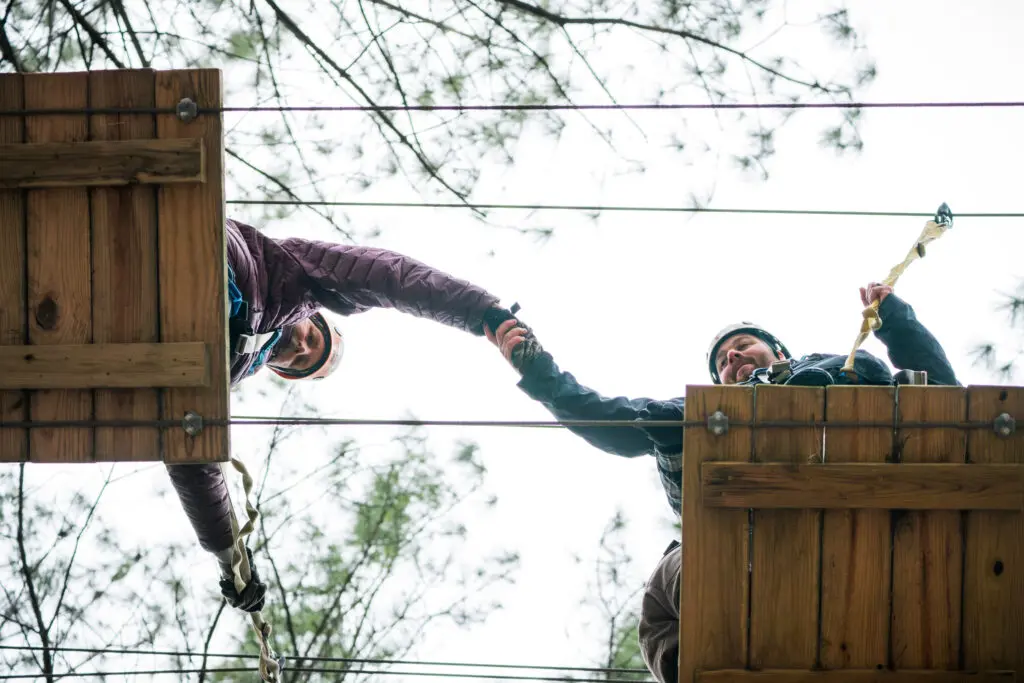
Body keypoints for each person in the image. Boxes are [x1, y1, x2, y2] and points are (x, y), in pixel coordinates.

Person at [486, 282, 958, 682]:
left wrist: (897, 322)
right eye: (723, 364)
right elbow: (610, 421)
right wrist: (540, 374)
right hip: (757, 556)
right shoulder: (702, 415)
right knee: (666, 582)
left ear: (780, 354)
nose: (732, 356)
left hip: (875, 531)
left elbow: (944, 403)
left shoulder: (851, 371)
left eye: (744, 345)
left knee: (911, 404)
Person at [168, 217, 517, 614]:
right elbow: (386, 275)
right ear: (310, 317)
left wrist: (232, 561)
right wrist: (482, 313)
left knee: (186, 418)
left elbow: (191, 451)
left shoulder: (222, 372)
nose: (302, 348)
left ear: (281, 371)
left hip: (159, 337)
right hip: (209, 250)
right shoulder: (289, 274)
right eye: (311, 338)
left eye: (303, 362)